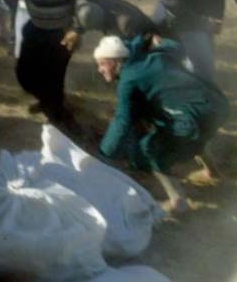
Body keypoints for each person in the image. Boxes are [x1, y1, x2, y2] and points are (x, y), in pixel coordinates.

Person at [94, 35, 229, 213]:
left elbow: (122, 121)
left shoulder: (129, 81)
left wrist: (103, 156)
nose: (99, 69)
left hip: (196, 117)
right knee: (170, 125)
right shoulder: (156, 55)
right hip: (217, 104)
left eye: (102, 64)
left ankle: (177, 201)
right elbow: (176, 46)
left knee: (149, 149)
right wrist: (159, 41)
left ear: (114, 62)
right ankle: (212, 172)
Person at [2, 0, 96, 126]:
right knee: (24, 73)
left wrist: (77, 29)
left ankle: (58, 117)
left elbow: (84, 1)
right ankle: (47, 100)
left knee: (54, 76)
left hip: (60, 32)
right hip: (35, 26)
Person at [75, 0, 158, 40]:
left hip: (148, 34)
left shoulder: (125, 25)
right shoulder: (96, 5)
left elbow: (137, 46)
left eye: (95, 28)